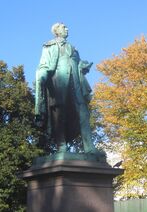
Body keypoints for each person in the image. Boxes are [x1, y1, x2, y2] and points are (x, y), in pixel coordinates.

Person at [35, 23, 97, 153]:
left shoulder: (72, 48)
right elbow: (44, 65)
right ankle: (61, 146)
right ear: (57, 31)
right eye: (64, 27)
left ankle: (89, 147)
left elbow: (77, 64)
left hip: (76, 83)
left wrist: (83, 66)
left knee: (84, 113)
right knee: (60, 113)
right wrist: (42, 76)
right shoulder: (50, 45)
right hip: (59, 83)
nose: (67, 29)